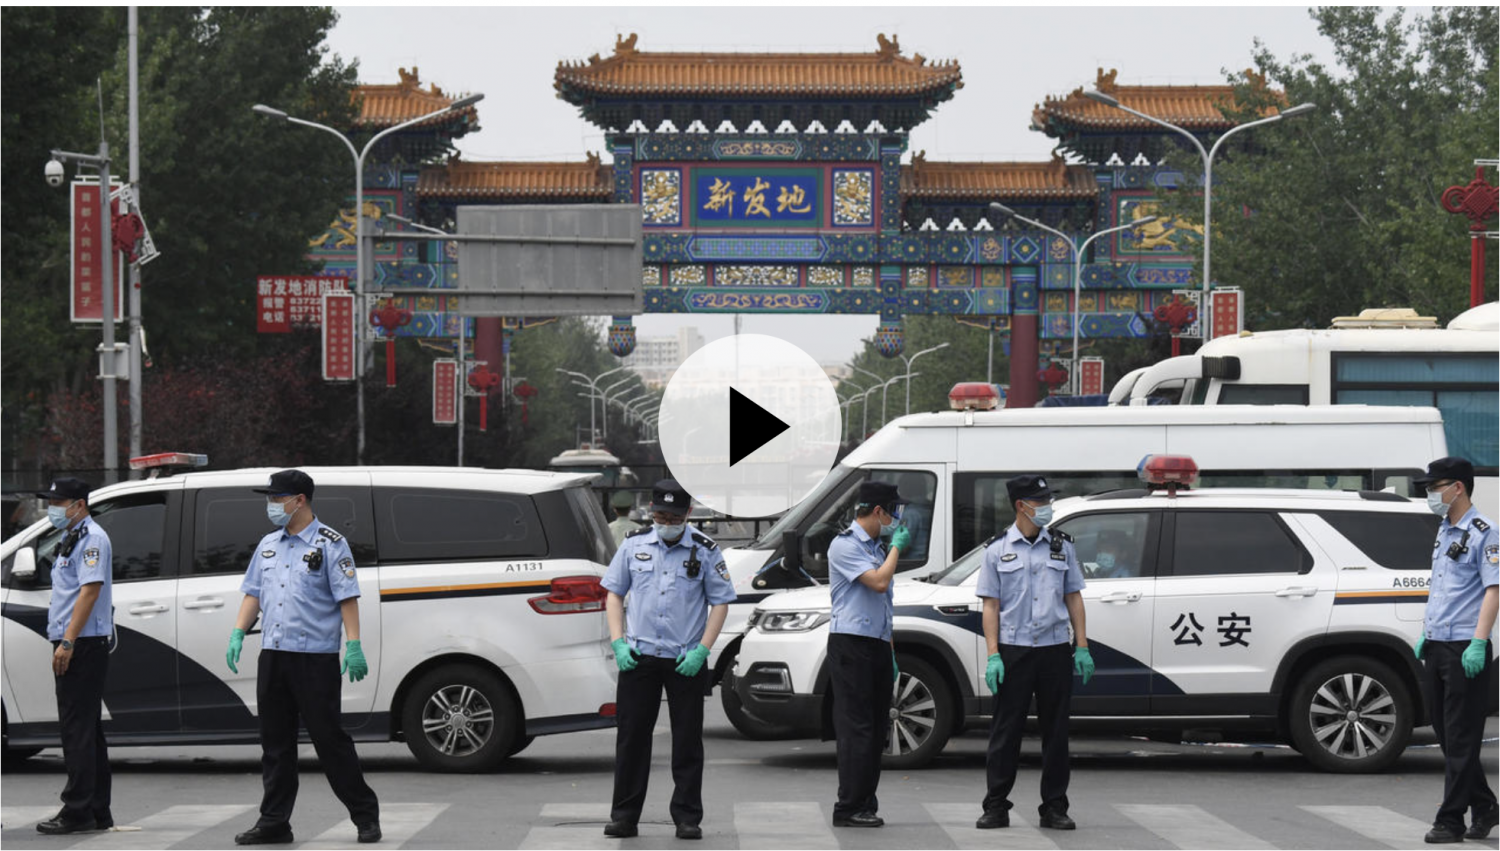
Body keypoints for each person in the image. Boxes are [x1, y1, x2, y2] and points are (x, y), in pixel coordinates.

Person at [226, 470, 381, 845]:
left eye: (277, 499)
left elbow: (347, 597)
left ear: (300, 500)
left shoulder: (331, 544)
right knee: (275, 745)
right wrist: (237, 632)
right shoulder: (268, 545)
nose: (271, 506)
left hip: (314, 659)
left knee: (330, 741)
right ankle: (274, 821)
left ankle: (365, 815)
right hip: (275, 657)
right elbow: (254, 594)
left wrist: (354, 645)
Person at [601, 479, 735, 840]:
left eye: (673, 516)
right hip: (639, 656)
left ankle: (687, 817)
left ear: (686, 515)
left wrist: (703, 650)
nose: (666, 521)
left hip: (684, 658)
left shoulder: (706, 551)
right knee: (631, 738)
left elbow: (720, 602)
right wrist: (618, 643)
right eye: (660, 514)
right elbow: (614, 594)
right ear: (651, 510)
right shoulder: (633, 546)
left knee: (688, 740)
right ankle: (625, 816)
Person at [974, 474, 1092, 831]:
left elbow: (1073, 596)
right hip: (1014, 652)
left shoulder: (1061, 546)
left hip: (1054, 650)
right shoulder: (996, 550)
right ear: (1021, 506)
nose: (1047, 509)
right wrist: (993, 654)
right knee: (1005, 732)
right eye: (1040, 503)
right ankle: (996, 805)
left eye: (1047, 502)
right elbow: (991, 606)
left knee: (1056, 732)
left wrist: (1082, 646)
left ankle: (1054, 806)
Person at [1413, 457, 1498, 844]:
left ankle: (1450, 820)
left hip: (1466, 648)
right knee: (1448, 737)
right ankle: (1485, 806)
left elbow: (1493, 590)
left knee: (1462, 739)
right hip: (1438, 644)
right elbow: (1443, 588)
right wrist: (1426, 632)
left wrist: (1479, 642)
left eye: (1436, 487)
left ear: (1458, 487)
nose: (1431, 494)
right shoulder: (1444, 530)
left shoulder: (1486, 533)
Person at [825, 480, 911, 829]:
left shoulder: (876, 546)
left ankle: (865, 802)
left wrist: (888, 649)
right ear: (878, 511)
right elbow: (878, 582)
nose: (897, 520)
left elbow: (883, 606)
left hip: (875, 643)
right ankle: (847, 806)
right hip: (851, 644)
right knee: (857, 728)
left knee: (877, 728)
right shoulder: (845, 545)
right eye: (894, 511)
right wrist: (896, 551)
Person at [35, 477, 114, 835]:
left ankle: (78, 809)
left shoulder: (92, 539)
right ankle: (96, 809)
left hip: (81, 643)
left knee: (77, 729)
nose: (53, 508)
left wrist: (67, 641)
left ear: (78, 504)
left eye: (59, 502)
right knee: (87, 729)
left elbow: (88, 592)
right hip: (79, 641)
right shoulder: (75, 537)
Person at [895, 472, 931, 561]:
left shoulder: (909, 514)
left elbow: (901, 548)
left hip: (911, 564)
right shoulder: (929, 508)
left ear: (903, 489)